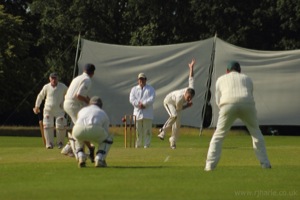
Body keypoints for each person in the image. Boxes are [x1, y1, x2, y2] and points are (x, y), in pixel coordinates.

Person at [204, 61, 271, 171]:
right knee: (256, 133)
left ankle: (209, 166)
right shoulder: (247, 78)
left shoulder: (221, 79)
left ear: (227, 71)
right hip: (247, 103)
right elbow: (250, 94)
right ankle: (266, 164)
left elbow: (217, 100)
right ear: (240, 71)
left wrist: (225, 111)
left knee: (218, 136)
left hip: (227, 103)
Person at [157, 59, 196, 149]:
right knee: (174, 115)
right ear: (185, 93)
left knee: (177, 124)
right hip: (169, 101)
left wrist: (191, 67)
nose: (189, 99)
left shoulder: (191, 89)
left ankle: (172, 142)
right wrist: (187, 105)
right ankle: (163, 131)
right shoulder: (179, 97)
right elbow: (179, 108)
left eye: (191, 98)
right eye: (188, 97)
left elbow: (191, 78)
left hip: (177, 105)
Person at [61, 63, 96, 160]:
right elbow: (79, 95)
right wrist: (89, 103)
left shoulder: (77, 78)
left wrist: (91, 101)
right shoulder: (87, 80)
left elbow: (80, 95)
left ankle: (70, 147)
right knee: (81, 129)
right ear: (93, 73)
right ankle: (71, 149)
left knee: (80, 127)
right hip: (73, 105)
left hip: (68, 103)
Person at [73, 96, 113, 168]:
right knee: (108, 139)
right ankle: (99, 159)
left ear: (90, 104)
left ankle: (80, 156)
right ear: (100, 105)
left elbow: (79, 123)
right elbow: (106, 133)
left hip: (78, 129)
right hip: (95, 129)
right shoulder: (103, 113)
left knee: (76, 137)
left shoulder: (82, 110)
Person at [33, 72, 68, 149]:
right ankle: (49, 143)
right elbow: (40, 96)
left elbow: (69, 95)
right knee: (48, 125)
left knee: (61, 124)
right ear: (49, 79)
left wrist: (66, 104)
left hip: (59, 109)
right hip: (48, 109)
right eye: (52, 78)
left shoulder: (63, 87)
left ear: (57, 78)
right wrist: (37, 106)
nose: (53, 80)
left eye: (55, 78)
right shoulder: (46, 87)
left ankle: (60, 143)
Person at [129, 73, 156, 148]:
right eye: (140, 79)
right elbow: (131, 99)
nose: (141, 81)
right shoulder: (134, 89)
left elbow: (152, 98)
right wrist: (138, 104)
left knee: (147, 130)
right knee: (138, 131)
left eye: (143, 79)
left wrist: (144, 104)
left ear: (145, 80)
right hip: (137, 112)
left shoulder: (150, 89)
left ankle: (147, 145)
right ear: (138, 80)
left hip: (147, 112)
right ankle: (138, 144)